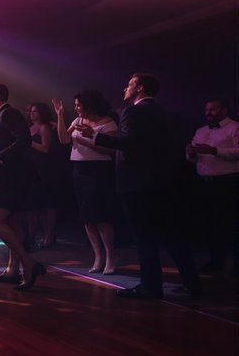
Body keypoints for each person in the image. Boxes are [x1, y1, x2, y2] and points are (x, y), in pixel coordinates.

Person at [84, 73, 201, 298]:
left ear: (139, 88)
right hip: (164, 182)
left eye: (129, 84)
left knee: (144, 236)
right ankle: (192, 282)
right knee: (172, 235)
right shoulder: (165, 114)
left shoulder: (133, 111)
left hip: (138, 183)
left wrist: (96, 136)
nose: (124, 89)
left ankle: (151, 286)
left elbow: (130, 144)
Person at [0, 83, 46, 290]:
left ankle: (29, 263)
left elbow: (24, 140)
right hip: (6, 176)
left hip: (14, 177)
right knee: (12, 221)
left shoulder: (9, 114)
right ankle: (12, 269)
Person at [53, 91, 120, 275]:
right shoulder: (77, 122)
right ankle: (98, 256)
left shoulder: (107, 122)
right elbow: (64, 140)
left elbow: (111, 149)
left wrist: (88, 141)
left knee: (101, 216)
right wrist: (60, 116)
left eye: (79, 105)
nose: (76, 108)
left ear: (90, 105)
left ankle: (110, 256)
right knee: (87, 216)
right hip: (79, 170)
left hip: (99, 170)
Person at [185, 97, 238, 275]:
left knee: (230, 225)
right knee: (209, 225)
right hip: (203, 182)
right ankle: (216, 262)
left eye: (213, 110)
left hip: (227, 182)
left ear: (224, 111)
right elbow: (193, 157)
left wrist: (214, 150)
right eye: (207, 109)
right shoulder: (200, 131)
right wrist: (190, 153)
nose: (208, 113)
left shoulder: (234, 128)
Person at [24, 102, 59, 249]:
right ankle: (32, 235)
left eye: (36, 111)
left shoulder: (44, 127)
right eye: (31, 111)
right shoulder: (29, 128)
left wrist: (29, 143)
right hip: (30, 168)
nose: (32, 114)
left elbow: (45, 148)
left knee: (47, 205)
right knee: (32, 205)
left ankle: (49, 235)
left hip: (43, 168)